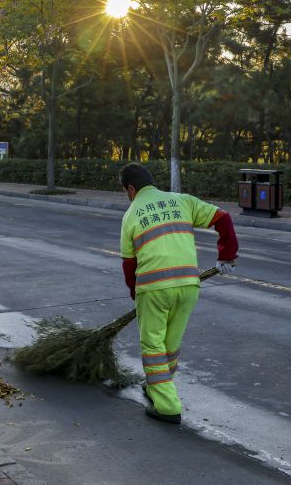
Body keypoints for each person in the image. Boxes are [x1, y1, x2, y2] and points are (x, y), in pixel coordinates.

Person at [119, 162, 238, 424]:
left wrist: (134, 293)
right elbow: (223, 218)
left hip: (153, 289)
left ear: (130, 189)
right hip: (188, 285)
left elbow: (130, 265)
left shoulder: (131, 215)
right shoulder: (182, 201)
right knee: (170, 346)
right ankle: (157, 387)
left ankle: (167, 406)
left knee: (153, 346)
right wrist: (226, 255)